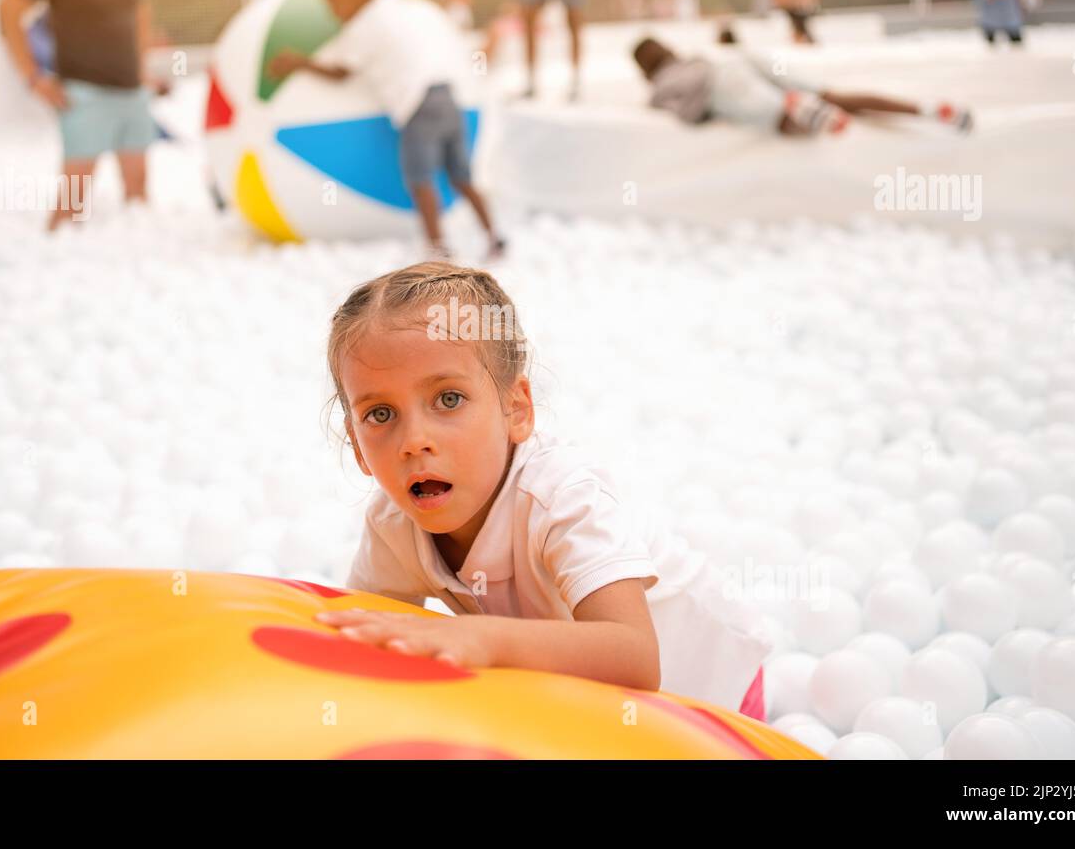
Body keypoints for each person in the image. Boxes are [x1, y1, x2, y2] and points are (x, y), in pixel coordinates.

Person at [312, 262, 773, 716]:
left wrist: (481, 639)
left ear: (516, 410)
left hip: (713, 690)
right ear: (356, 444)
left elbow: (635, 656)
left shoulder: (561, 497)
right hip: (595, 703)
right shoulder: (392, 523)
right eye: (380, 414)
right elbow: (368, 634)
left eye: (448, 399)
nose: (414, 441)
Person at [268, 0, 504, 262]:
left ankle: (438, 249)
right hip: (449, 96)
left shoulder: (363, 25)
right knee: (461, 176)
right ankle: (494, 236)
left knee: (420, 179)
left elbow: (340, 73)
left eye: (333, 2)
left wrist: (299, 63)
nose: (332, 12)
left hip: (418, 105)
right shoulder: (398, 5)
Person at [0, 0, 161, 232]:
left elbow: (140, 12)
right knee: (73, 201)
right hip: (84, 92)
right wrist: (32, 76)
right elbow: (10, 9)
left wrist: (143, 65)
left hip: (131, 90)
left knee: (138, 191)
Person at [634, 35, 973, 135]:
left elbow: (684, 113)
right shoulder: (693, 56)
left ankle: (799, 109)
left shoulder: (661, 84)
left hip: (722, 85)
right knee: (833, 96)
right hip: (738, 61)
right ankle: (925, 110)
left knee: (776, 116)